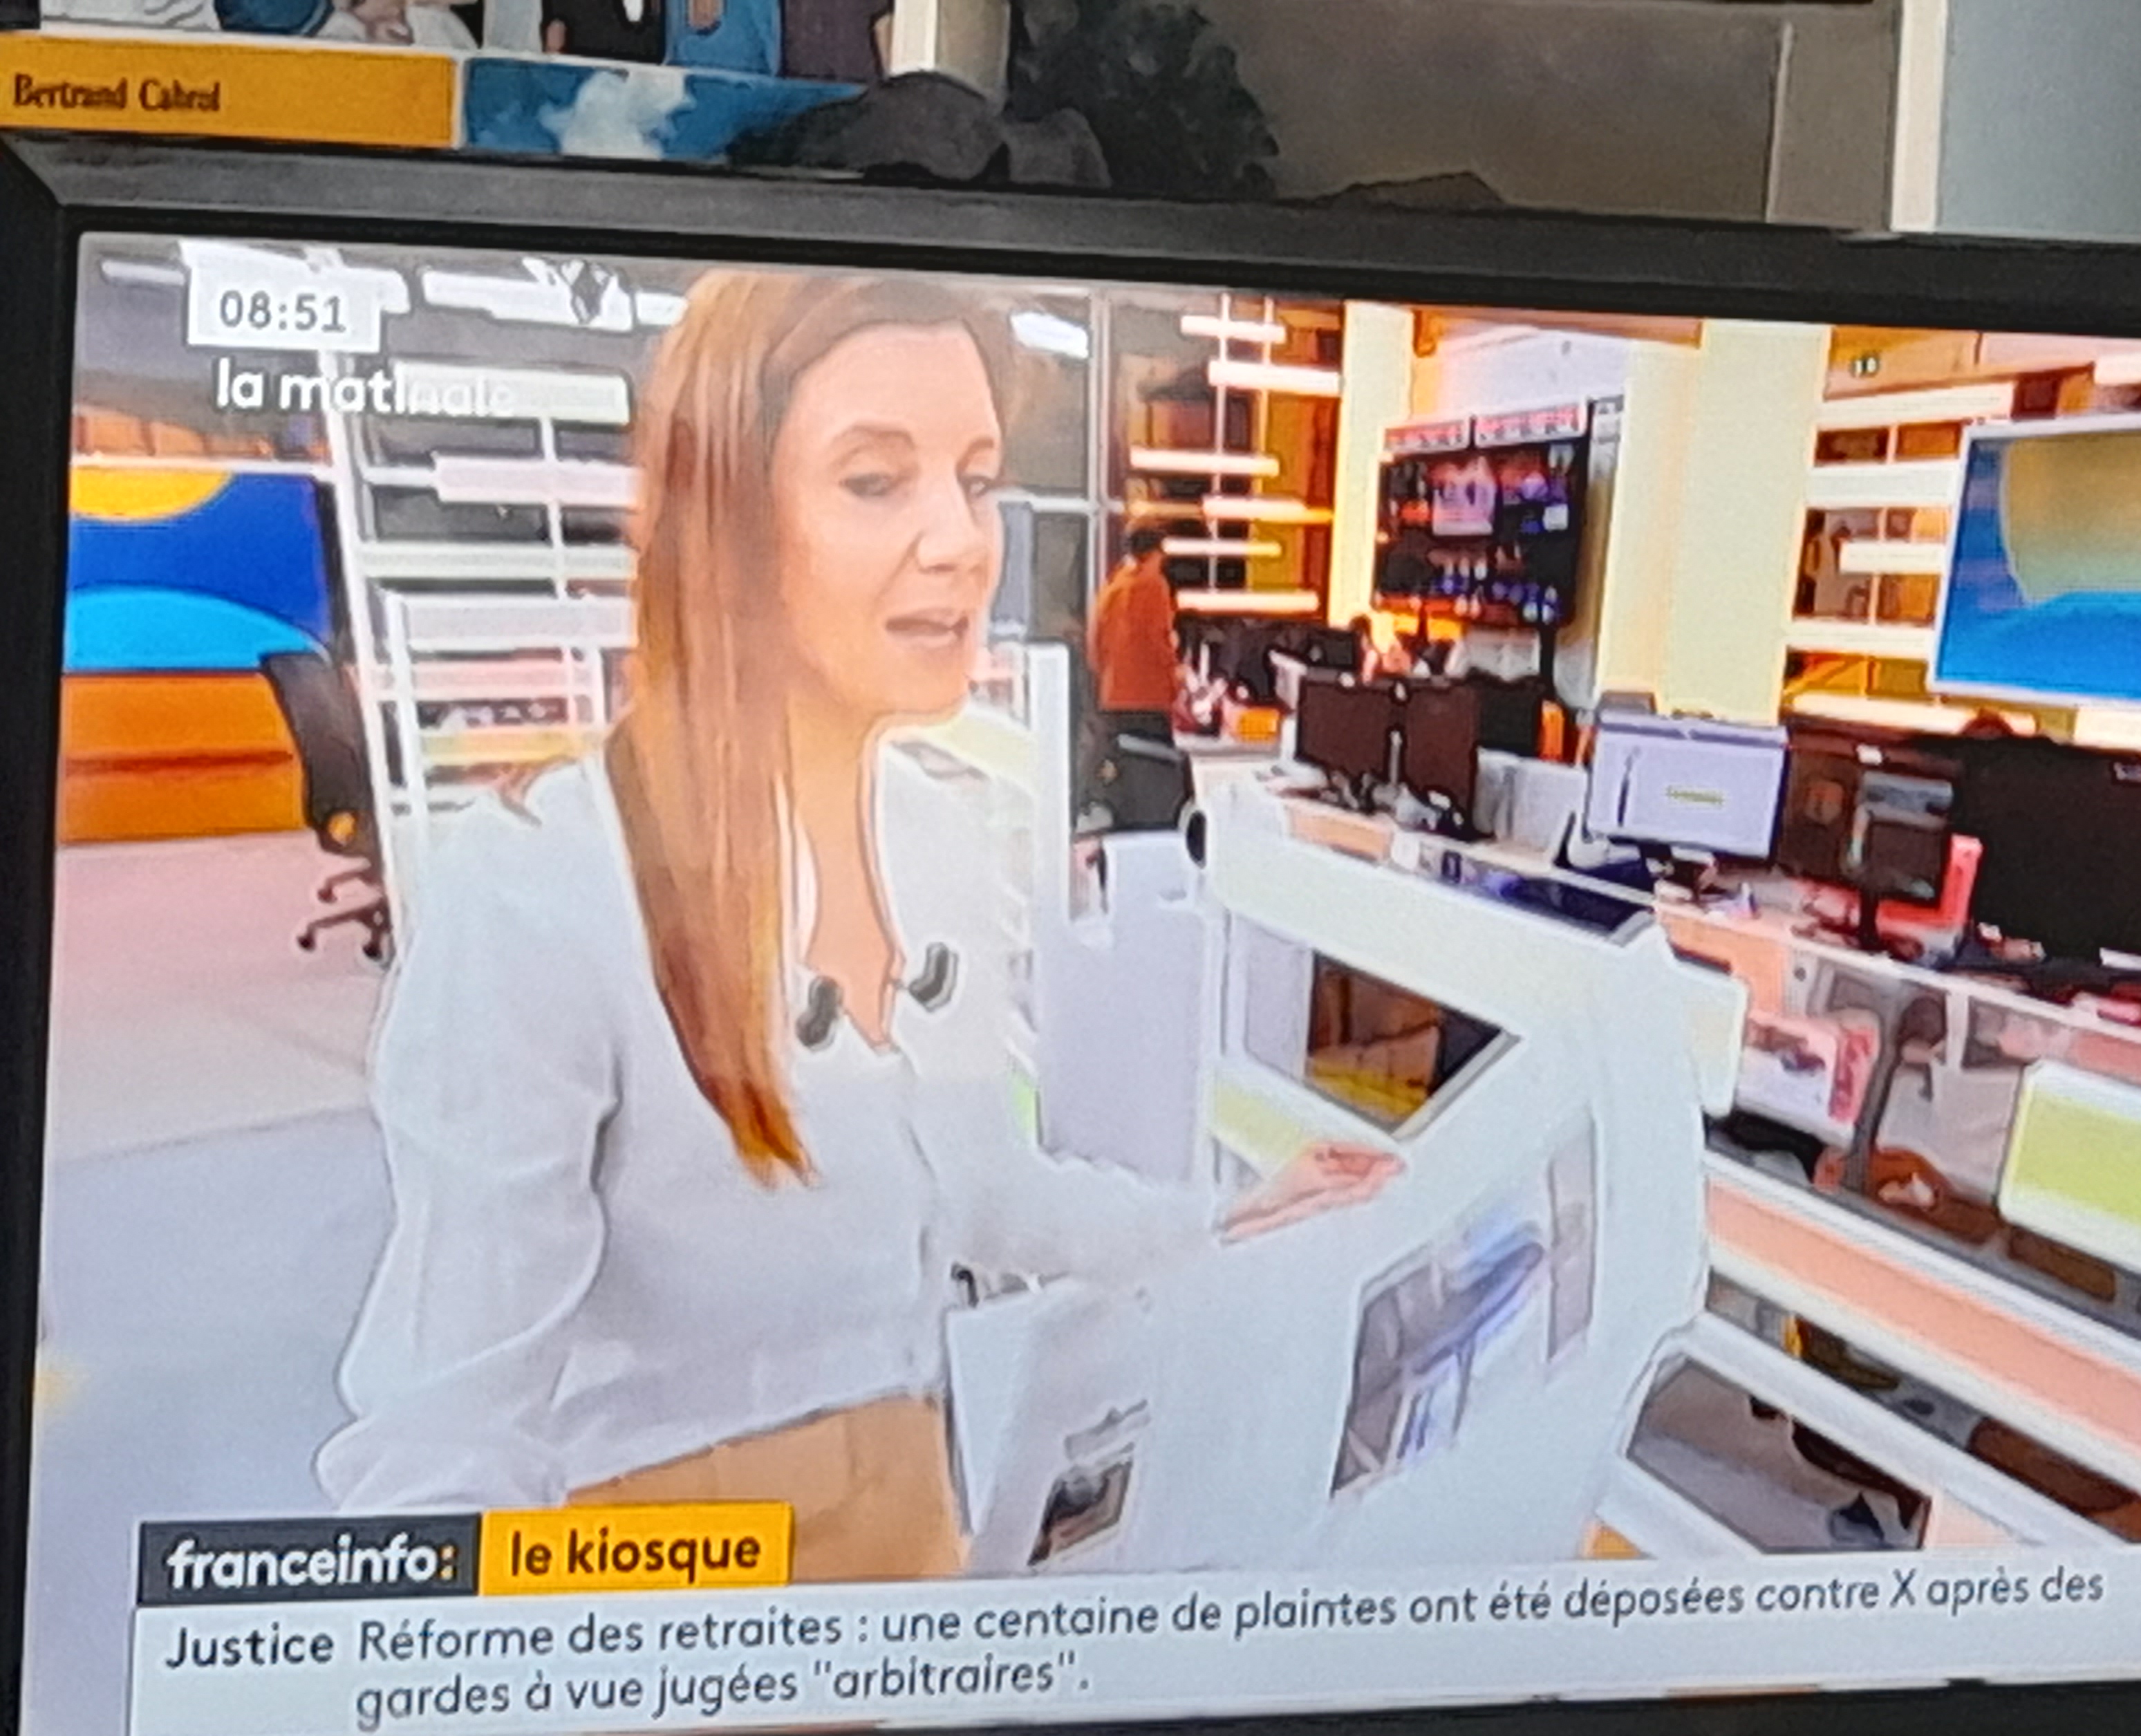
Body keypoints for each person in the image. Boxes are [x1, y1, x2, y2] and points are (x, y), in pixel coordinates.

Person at [317, 270, 1394, 1579]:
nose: (962, 542)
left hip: (916, 1534)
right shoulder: (541, 890)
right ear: (726, 518)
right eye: (877, 482)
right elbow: (445, 1435)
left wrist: (1221, 1222)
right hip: (669, 1595)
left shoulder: (935, 837)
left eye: (977, 480)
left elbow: (979, 1190)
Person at [1082, 525, 1184, 812]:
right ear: (1154, 553)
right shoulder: (1153, 585)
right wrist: (1176, 681)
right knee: (1156, 777)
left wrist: (1106, 680)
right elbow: (1159, 642)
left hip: (1113, 697)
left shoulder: (1112, 587)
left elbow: (1094, 646)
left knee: (1124, 775)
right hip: (1149, 697)